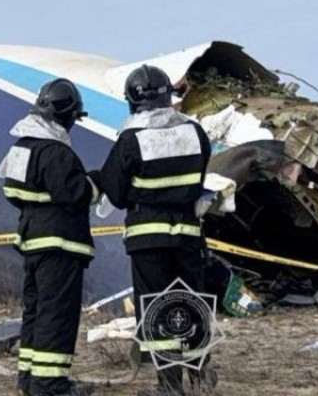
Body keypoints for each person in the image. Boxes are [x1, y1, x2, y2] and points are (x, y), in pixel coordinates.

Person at [97, 65, 215, 396]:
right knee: (191, 303)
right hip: (188, 235)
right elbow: (199, 179)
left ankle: (169, 385)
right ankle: (201, 373)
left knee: (157, 308)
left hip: (148, 238)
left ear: (133, 101)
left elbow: (116, 193)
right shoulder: (195, 133)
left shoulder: (131, 139)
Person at [3, 79, 100, 396]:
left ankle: (29, 379)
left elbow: (12, 192)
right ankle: (51, 385)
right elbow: (76, 195)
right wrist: (96, 183)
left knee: (35, 311)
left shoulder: (21, 148)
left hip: (33, 242)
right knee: (57, 315)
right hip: (60, 245)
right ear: (68, 115)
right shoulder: (56, 152)